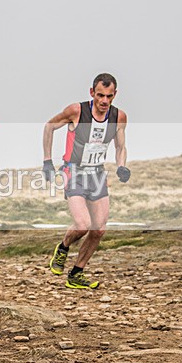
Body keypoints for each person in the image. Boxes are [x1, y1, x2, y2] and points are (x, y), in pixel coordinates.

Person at [42, 73, 129, 289]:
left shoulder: (119, 117)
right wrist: (47, 161)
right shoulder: (77, 111)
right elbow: (49, 126)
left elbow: (120, 146)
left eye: (109, 96)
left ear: (114, 95)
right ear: (92, 92)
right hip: (74, 172)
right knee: (82, 225)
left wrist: (121, 166)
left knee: (99, 229)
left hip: (97, 174)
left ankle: (76, 273)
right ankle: (63, 248)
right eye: (100, 95)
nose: (104, 101)